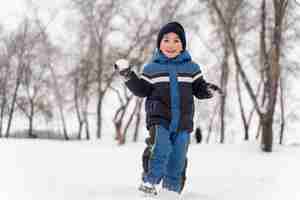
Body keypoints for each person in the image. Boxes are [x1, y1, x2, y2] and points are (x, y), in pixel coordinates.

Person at [115, 21, 220, 197]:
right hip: (159, 118)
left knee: (178, 157)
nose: (171, 45)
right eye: (166, 40)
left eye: (176, 41)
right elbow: (141, 90)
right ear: (159, 44)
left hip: (183, 122)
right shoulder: (151, 69)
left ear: (183, 45)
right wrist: (128, 76)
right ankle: (150, 182)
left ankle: (171, 191)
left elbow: (198, 88)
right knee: (160, 148)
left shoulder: (192, 68)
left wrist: (207, 90)